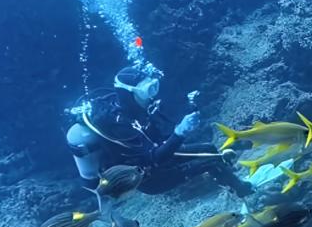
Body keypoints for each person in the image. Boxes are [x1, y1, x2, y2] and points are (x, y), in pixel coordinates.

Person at [65, 66, 249, 196]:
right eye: (147, 91)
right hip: (148, 178)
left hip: (158, 157)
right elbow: (153, 159)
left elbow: (157, 139)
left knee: (209, 149)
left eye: (154, 87)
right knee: (210, 163)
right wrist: (180, 132)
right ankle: (245, 193)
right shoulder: (118, 126)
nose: (152, 95)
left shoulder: (134, 108)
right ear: (129, 94)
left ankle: (234, 185)